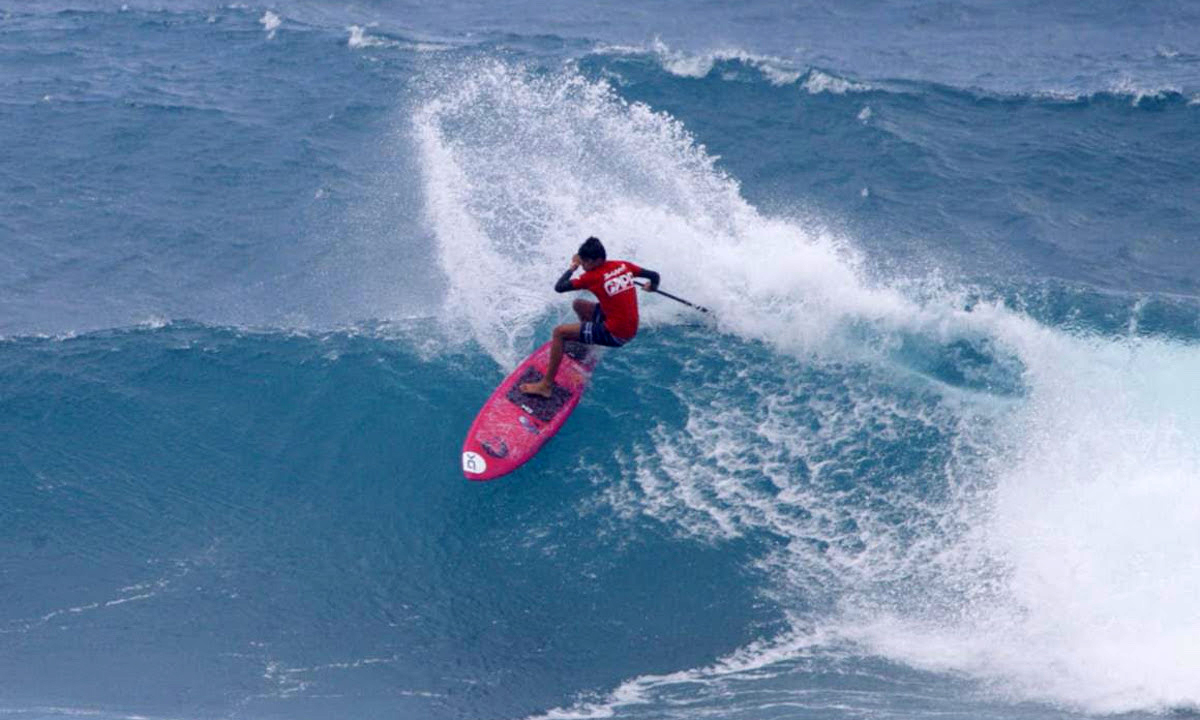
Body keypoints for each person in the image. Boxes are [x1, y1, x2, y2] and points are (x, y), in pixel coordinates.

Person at [519, 236, 659, 398]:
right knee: (579, 304)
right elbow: (654, 275)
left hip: (616, 334)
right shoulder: (623, 266)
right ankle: (587, 342)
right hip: (625, 325)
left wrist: (573, 267)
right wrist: (652, 287)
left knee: (559, 332)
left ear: (597, 260)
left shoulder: (592, 277)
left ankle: (545, 385)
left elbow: (559, 287)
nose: (583, 266)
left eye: (585, 262)